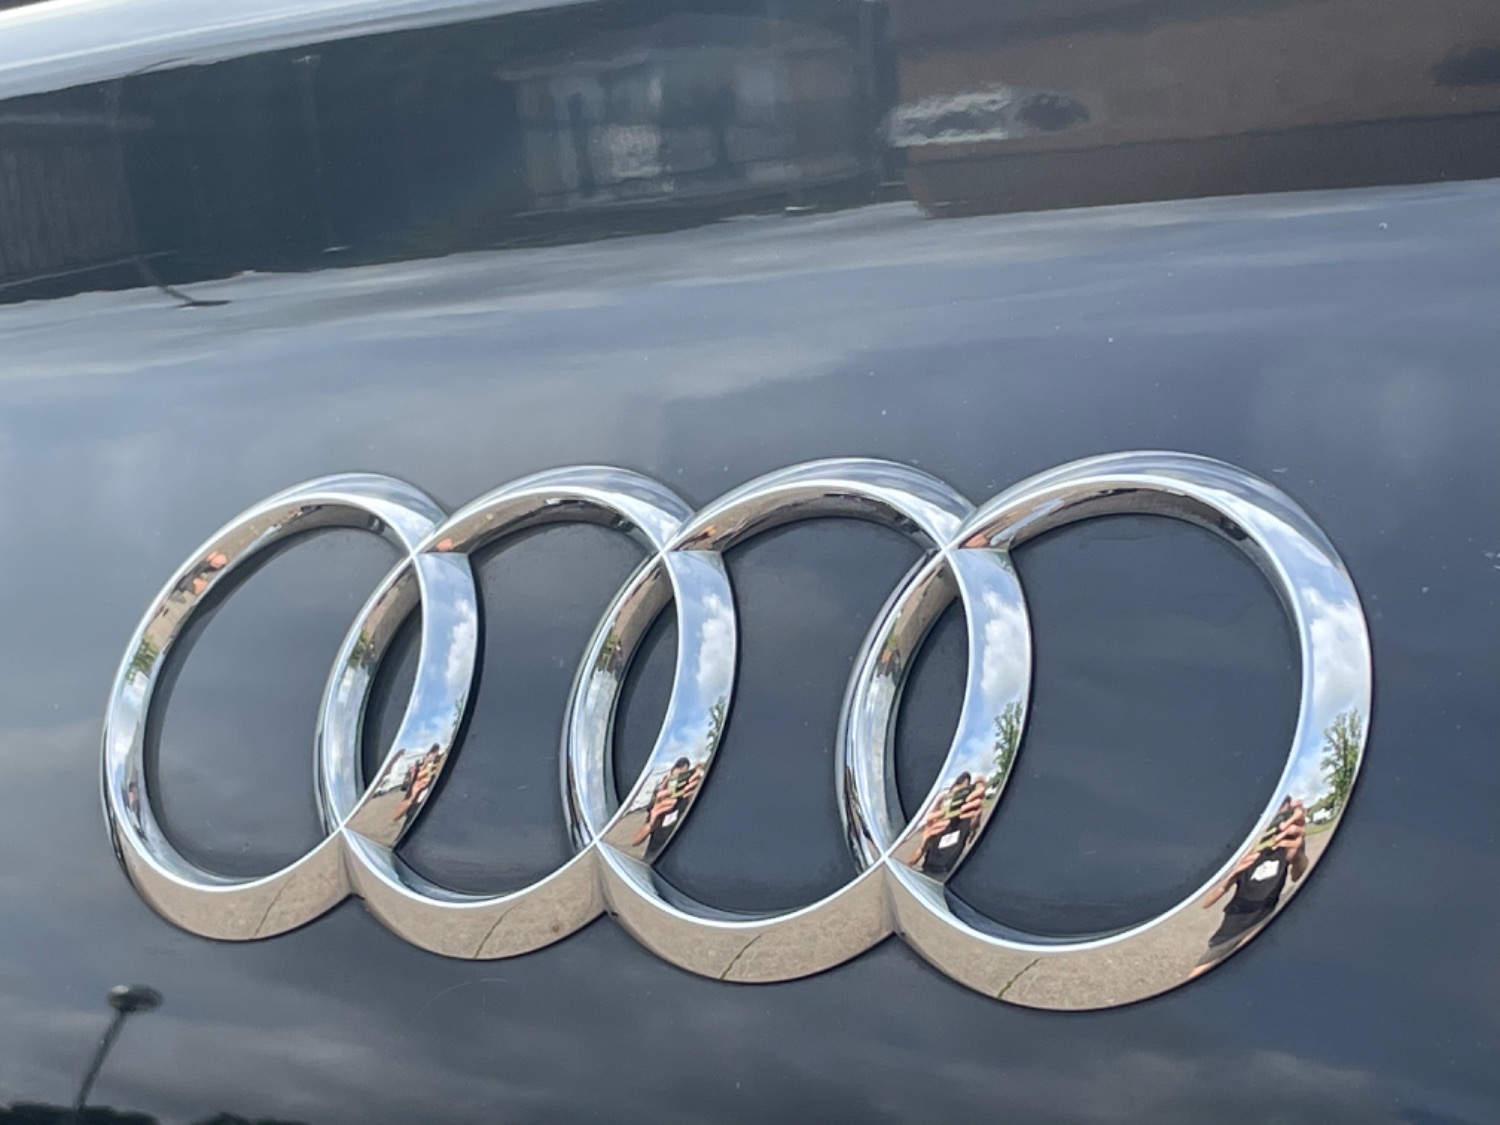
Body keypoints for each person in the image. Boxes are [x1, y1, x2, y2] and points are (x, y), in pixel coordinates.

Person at [1189, 797, 1308, 978]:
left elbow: (1297, 875)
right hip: (1233, 928)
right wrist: (1230, 877)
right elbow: (1206, 903)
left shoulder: (1288, 841)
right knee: (1197, 976)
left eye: (1282, 815)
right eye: (1271, 816)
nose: (1276, 822)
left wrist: (1297, 856)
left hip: (1266, 922)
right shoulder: (1243, 848)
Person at [913, 771, 985, 877]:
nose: (957, 802)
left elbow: (975, 842)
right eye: (955, 796)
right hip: (927, 872)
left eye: (963, 795)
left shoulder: (967, 819)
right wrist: (922, 846)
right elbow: (910, 863)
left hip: (951, 874)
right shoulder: (938, 820)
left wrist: (976, 824)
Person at [632, 757, 701, 855]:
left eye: (683, 778)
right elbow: (635, 841)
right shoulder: (659, 799)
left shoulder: (687, 797)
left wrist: (695, 792)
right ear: (670, 777)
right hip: (655, 853)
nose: (678, 784)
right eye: (675, 779)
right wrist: (651, 826)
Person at [391, 744, 444, 826]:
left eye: (436, 760)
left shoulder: (437, 780)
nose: (432, 764)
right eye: (430, 761)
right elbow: (395, 817)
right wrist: (412, 798)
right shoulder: (413, 785)